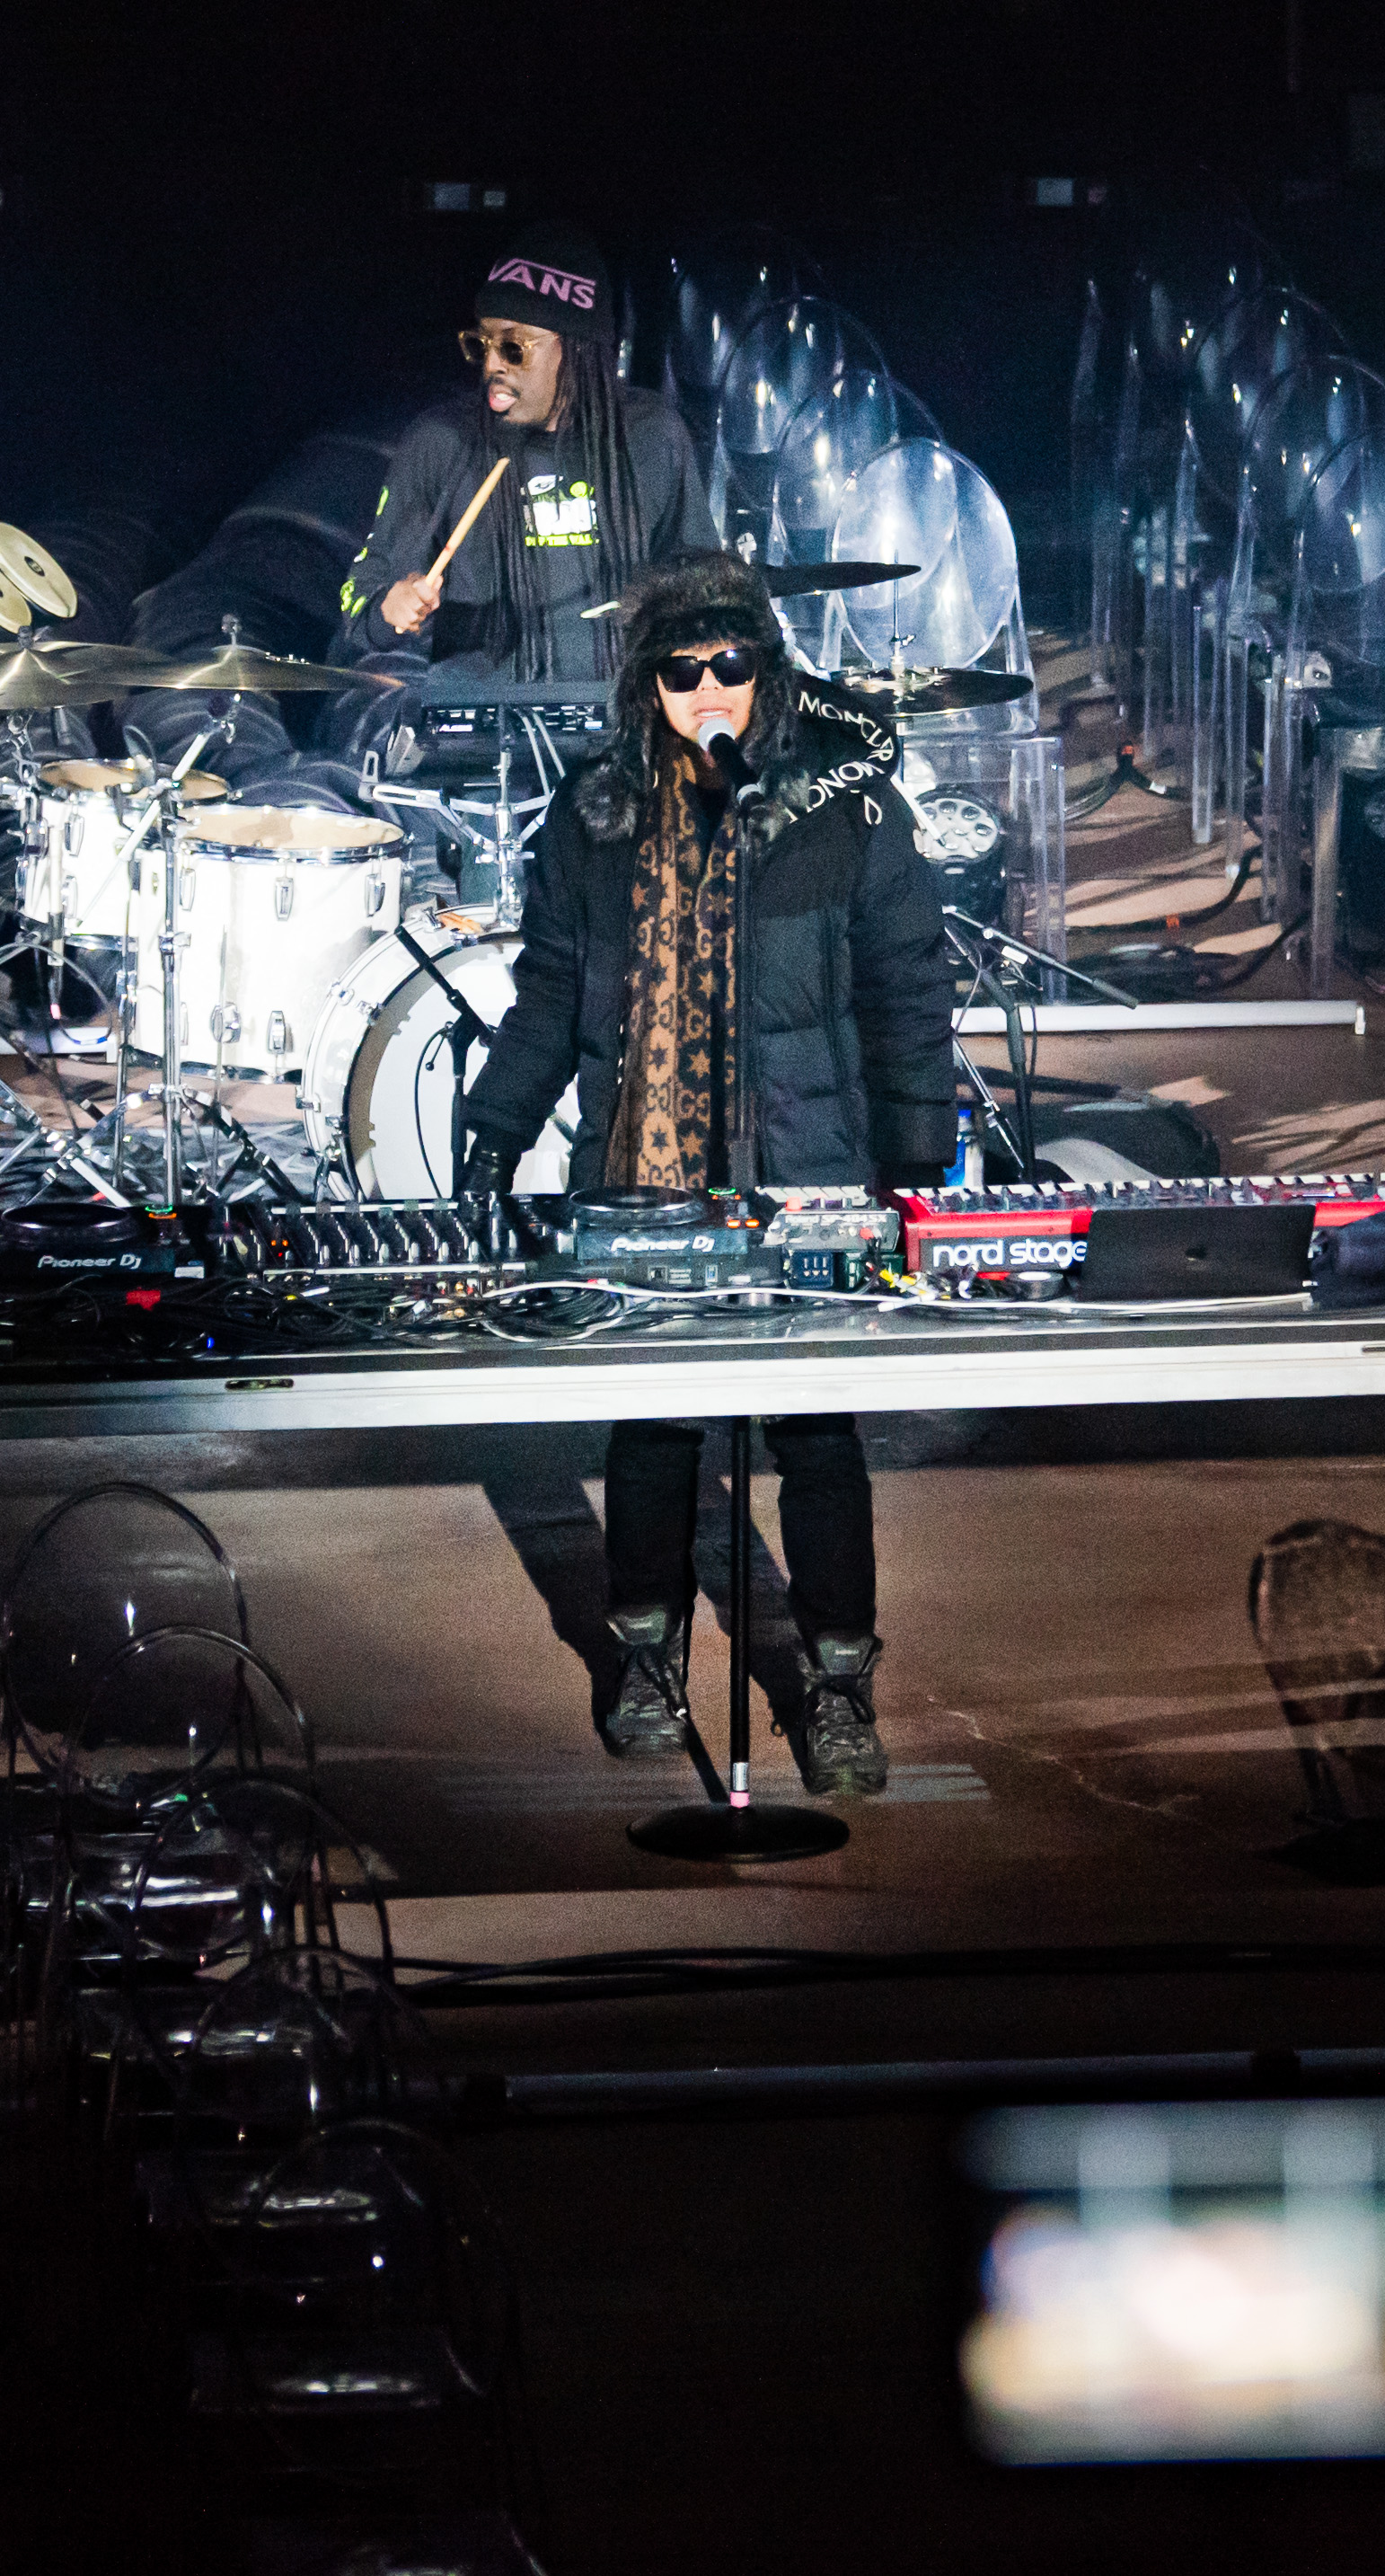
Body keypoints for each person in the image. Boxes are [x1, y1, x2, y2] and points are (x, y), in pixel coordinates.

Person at [455, 553, 958, 1794]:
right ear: (648, 684)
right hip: (644, 1169)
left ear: (767, 667)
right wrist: (494, 1125)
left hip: (808, 1163)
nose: (710, 687)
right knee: (654, 1417)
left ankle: (837, 1683)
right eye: (683, 669)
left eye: (733, 662)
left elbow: (906, 987)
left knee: (816, 1432)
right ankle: (643, 1651)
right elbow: (550, 991)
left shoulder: (847, 805)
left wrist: (913, 1158)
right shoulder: (592, 816)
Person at [339, 229, 701, 692]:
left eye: (514, 348)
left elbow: (700, 586)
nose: (492, 365)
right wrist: (389, 607)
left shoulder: (651, 436)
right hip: (477, 741)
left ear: (575, 349)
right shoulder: (443, 442)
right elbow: (359, 596)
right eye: (482, 344)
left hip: (623, 727)